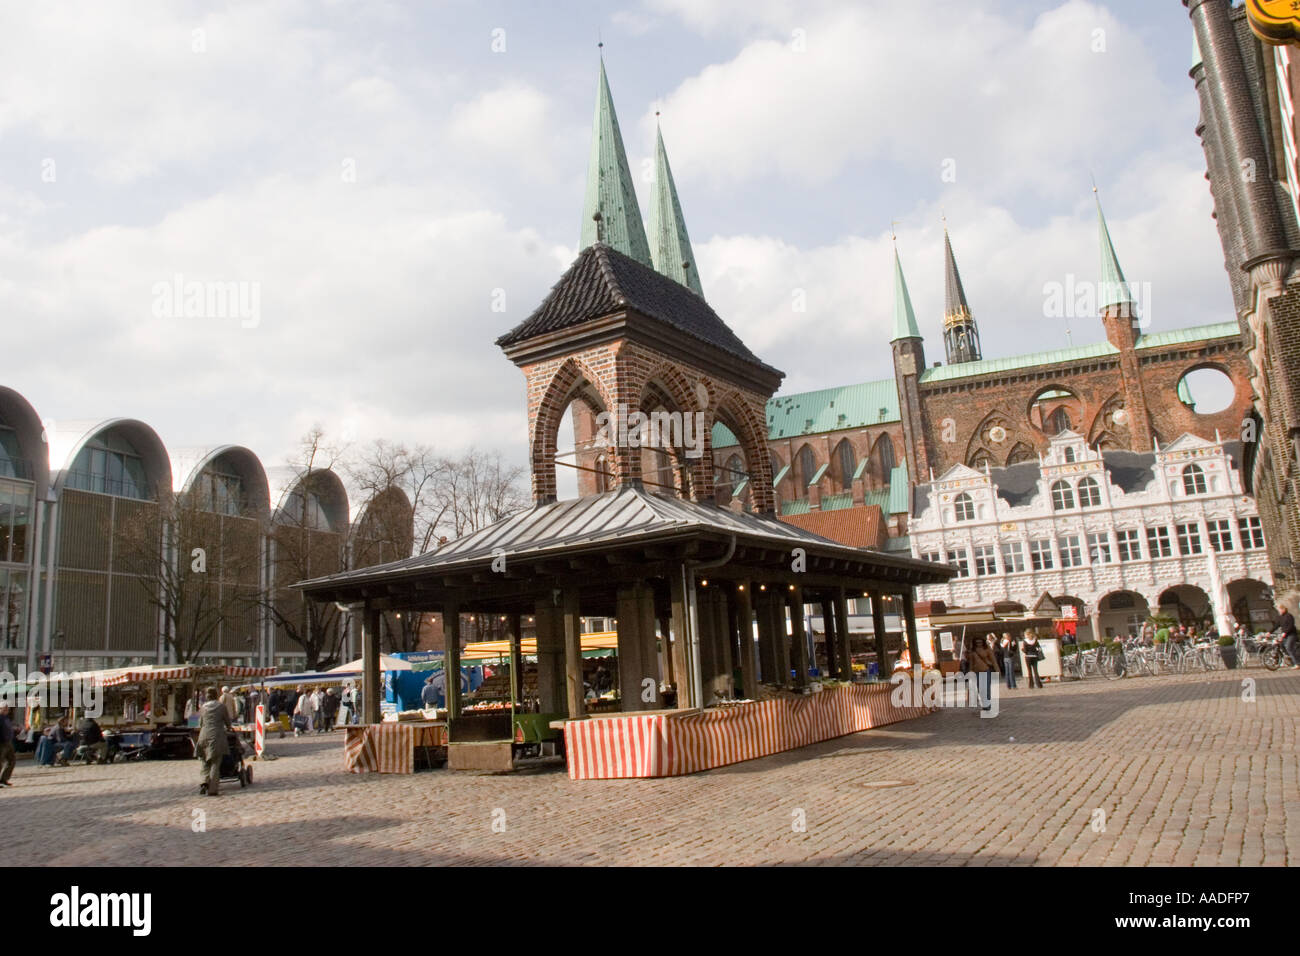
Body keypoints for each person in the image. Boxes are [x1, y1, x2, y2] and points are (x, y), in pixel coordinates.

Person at [196, 688, 232, 796]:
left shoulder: (203, 707)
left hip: (203, 736)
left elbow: (200, 723)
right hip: (216, 737)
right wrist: (229, 727)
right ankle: (212, 789)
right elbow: (228, 722)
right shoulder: (221, 707)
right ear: (216, 695)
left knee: (204, 760)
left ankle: (203, 782)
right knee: (215, 762)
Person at [960, 635, 998, 713]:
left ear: (983, 642)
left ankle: (987, 704)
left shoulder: (987, 649)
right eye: (977, 642)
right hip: (976, 671)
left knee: (986, 688)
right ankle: (984, 704)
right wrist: (970, 671)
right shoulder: (972, 651)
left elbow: (993, 659)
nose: (979, 644)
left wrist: (997, 669)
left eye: (980, 642)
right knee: (980, 689)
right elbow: (971, 662)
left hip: (986, 670)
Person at [1276, 602, 1299, 669]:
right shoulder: (1280, 617)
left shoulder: (1289, 616)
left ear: (1283, 609)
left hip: (1292, 634)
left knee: (1289, 647)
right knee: (1281, 646)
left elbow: (1291, 626)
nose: (1279, 611)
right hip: (1285, 635)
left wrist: (1285, 632)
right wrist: (1269, 632)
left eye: (1279, 609)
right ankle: (1291, 661)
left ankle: (1297, 664)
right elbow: (1276, 625)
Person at [0, 703, 17, 786]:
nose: (7, 710)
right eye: (5, 709)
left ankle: (4, 779)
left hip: (8, 742)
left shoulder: (6, 718)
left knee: (12, 761)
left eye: (8, 709)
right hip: (1, 743)